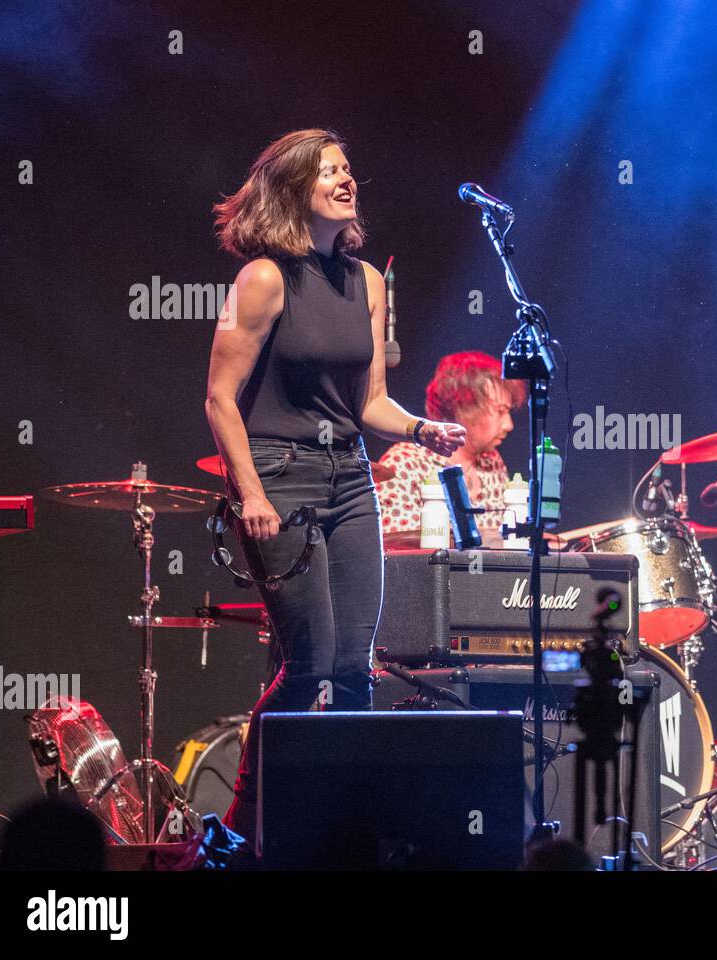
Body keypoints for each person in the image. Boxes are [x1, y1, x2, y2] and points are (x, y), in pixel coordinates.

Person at [204, 129, 466, 846]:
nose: (346, 180)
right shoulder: (262, 278)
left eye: (349, 169)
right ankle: (244, 824)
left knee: (356, 666)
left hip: (351, 478)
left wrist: (419, 429)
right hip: (280, 478)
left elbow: (369, 402)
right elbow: (220, 398)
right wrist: (250, 494)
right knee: (308, 664)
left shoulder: (368, 283)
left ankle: (348, 828)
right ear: (294, 190)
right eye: (328, 172)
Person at [377, 351, 525, 545]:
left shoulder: (492, 462)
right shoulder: (405, 463)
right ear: (462, 406)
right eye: (500, 411)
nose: (509, 425)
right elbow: (397, 548)